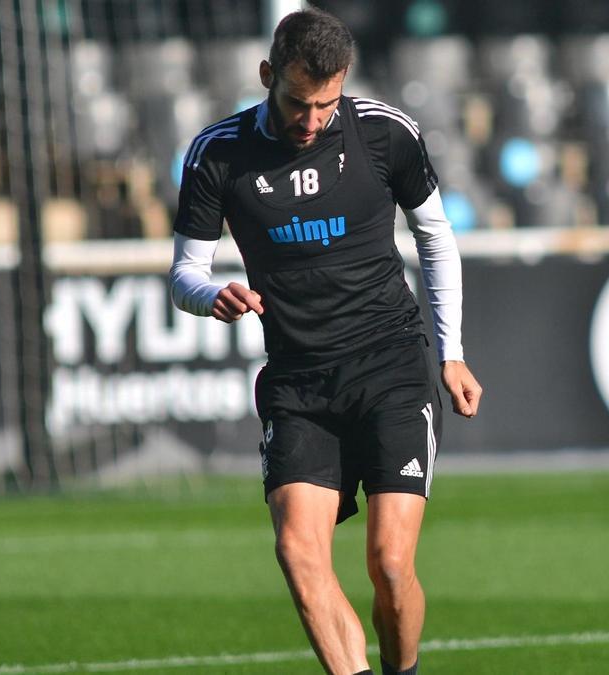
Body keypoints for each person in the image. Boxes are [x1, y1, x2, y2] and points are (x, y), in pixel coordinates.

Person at [170, 6, 481, 674]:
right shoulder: (218, 153)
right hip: (299, 381)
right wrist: (209, 295)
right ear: (266, 76)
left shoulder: (383, 133)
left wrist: (450, 352)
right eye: (297, 103)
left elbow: (435, 234)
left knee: (390, 566)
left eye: (326, 105)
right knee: (298, 554)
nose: (312, 121)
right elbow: (185, 272)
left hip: (391, 366)